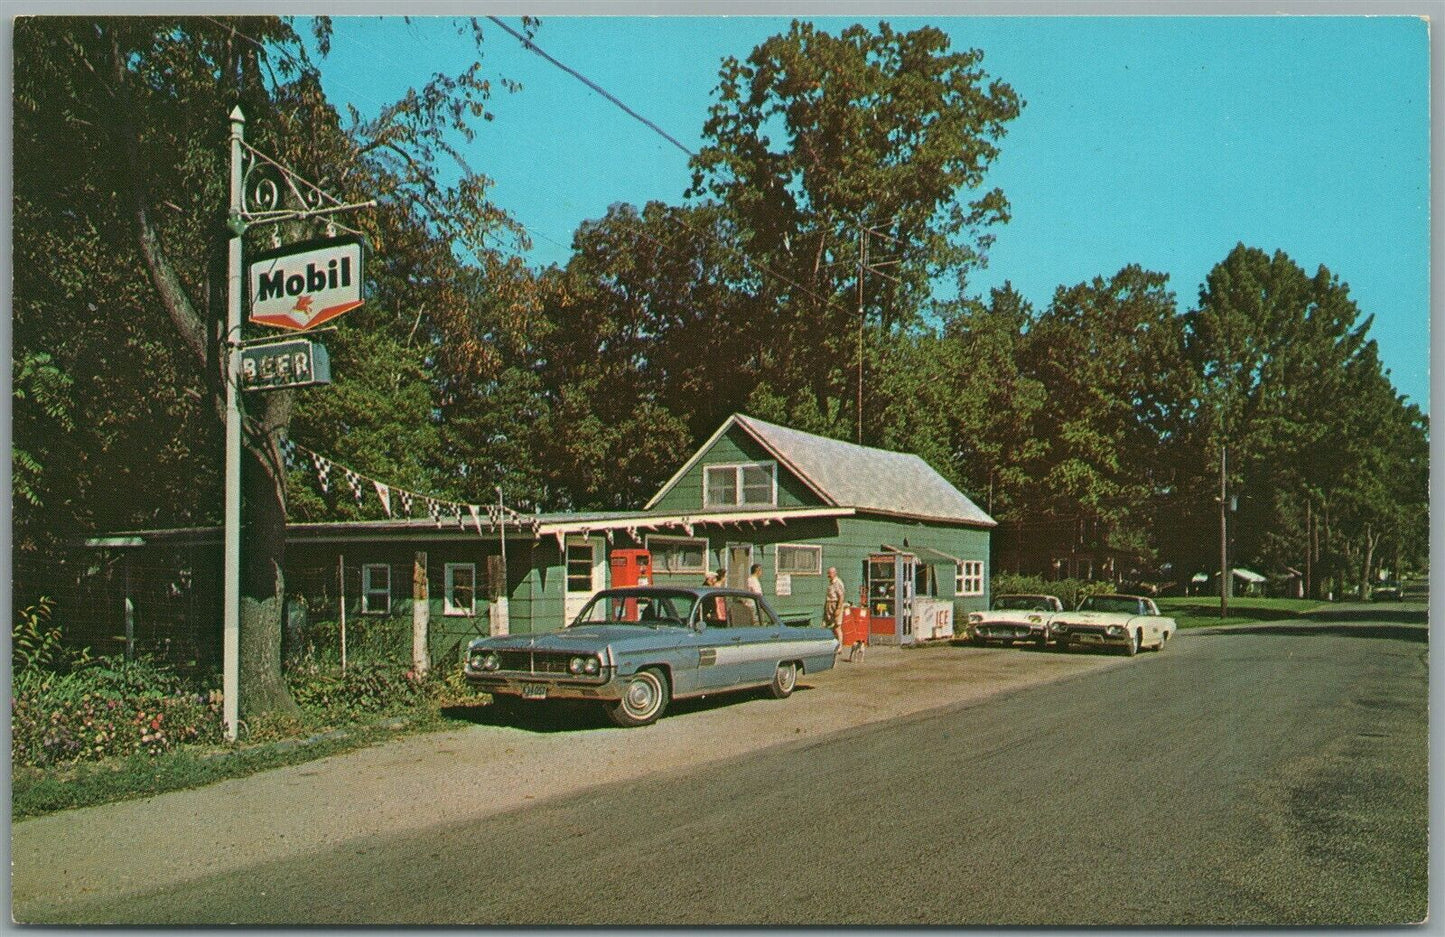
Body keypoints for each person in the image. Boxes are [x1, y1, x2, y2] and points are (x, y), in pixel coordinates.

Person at [824, 566, 847, 655]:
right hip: (829, 604)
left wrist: (838, 608)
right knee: (830, 625)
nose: (828, 575)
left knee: (837, 627)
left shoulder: (837, 583)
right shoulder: (831, 583)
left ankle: (840, 646)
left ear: (834, 573)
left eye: (829, 573)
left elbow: (841, 596)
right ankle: (832, 645)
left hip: (835, 604)